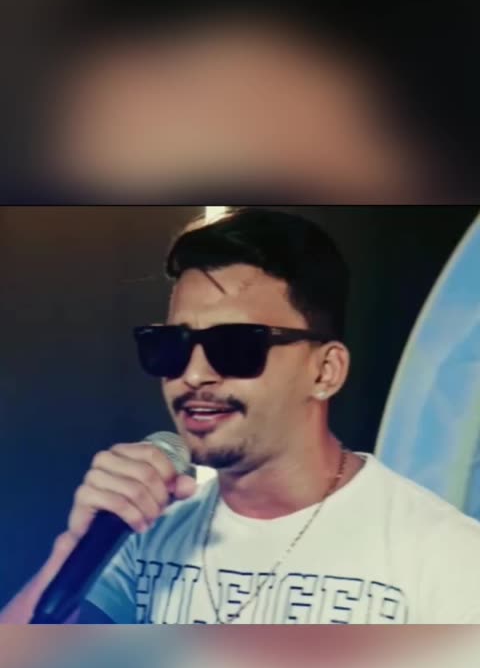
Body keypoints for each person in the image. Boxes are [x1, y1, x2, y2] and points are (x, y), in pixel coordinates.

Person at [2, 207, 480, 625]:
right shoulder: (143, 532)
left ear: (325, 371)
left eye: (235, 345)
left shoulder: (445, 557)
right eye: (171, 345)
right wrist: (74, 546)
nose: (194, 375)